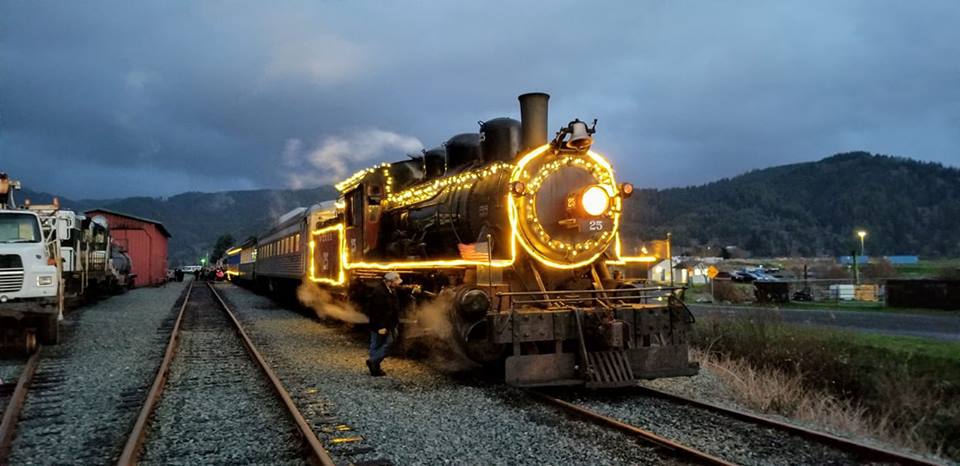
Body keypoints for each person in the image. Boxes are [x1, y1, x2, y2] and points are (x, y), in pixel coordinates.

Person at [365, 271, 404, 376]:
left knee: (383, 343)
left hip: (389, 322)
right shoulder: (379, 293)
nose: (398, 284)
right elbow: (375, 312)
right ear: (389, 281)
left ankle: (374, 364)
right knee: (380, 344)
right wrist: (380, 327)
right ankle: (374, 365)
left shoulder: (390, 290)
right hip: (381, 324)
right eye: (396, 281)